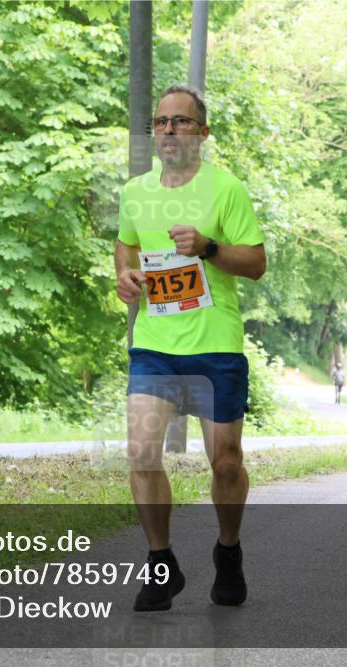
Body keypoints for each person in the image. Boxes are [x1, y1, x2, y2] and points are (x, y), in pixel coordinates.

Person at [115, 84, 266, 611]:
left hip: (215, 345)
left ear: (202, 133)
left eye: (181, 122)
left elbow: (256, 263)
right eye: (160, 122)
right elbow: (126, 242)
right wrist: (124, 277)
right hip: (155, 344)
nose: (169, 130)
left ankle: (228, 550)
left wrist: (209, 247)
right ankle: (162, 566)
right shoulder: (136, 192)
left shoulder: (227, 190)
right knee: (140, 453)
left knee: (225, 462)